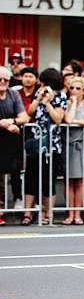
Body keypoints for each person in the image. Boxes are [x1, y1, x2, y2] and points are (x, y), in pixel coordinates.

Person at [23, 68, 67, 226]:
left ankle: (48, 214)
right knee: (31, 177)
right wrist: (39, 98)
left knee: (49, 179)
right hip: (36, 141)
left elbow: (58, 119)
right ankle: (27, 213)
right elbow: (30, 111)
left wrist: (48, 102)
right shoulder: (38, 93)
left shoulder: (61, 96)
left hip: (53, 144)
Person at [63, 77, 84, 225]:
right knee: (69, 181)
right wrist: (74, 103)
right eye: (72, 88)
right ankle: (70, 214)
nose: (75, 91)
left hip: (82, 144)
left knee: (80, 180)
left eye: (78, 88)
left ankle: (78, 214)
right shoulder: (68, 103)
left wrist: (78, 122)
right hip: (69, 144)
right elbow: (68, 119)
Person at [0, 66, 29, 224]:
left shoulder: (13, 94)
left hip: (12, 142)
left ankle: (17, 201)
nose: (3, 82)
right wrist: (3, 124)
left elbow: (24, 116)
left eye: (6, 80)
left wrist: (12, 122)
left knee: (16, 171)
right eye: (0, 80)